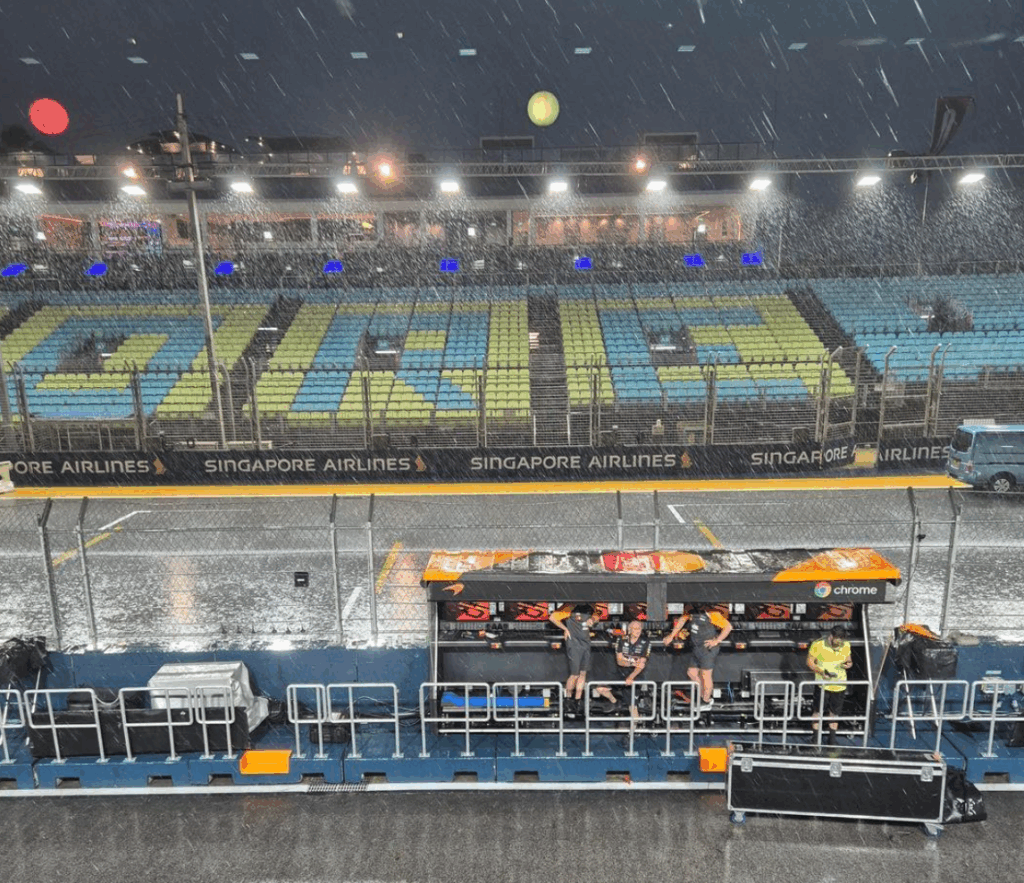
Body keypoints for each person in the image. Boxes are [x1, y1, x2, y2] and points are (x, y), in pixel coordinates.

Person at [663, 603, 732, 709]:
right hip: (696, 648)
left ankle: (706, 701)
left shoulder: (712, 614)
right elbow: (681, 621)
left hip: (707, 648)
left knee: (706, 675)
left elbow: (728, 627)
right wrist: (671, 636)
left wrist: (717, 641)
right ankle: (701, 697)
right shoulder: (690, 611)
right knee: (691, 672)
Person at [806, 625, 853, 745]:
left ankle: (832, 740)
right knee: (818, 711)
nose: (839, 643)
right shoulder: (818, 645)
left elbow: (849, 660)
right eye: (837, 640)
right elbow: (810, 662)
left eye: (841, 640)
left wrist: (848, 664)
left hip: (839, 685)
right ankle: (815, 738)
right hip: (823, 685)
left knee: (834, 713)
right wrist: (821, 671)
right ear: (831, 637)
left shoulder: (846, 645)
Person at [550, 604, 601, 711]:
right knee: (575, 674)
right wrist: (565, 628)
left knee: (583, 673)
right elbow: (552, 618)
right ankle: (568, 699)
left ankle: (578, 700)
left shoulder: (590, 606)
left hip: (586, 643)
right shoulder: (570, 607)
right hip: (574, 644)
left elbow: (597, 616)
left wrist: (592, 619)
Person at [612, 619, 652, 720]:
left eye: (639, 629)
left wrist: (631, 677)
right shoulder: (621, 640)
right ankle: (616, 702)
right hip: (620, 672)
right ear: (629, 630)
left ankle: (635, 727)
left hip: (635, 675)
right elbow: (619, 661)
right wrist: (633, 662)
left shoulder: (645, 642)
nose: (637, 631)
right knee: (601, 688)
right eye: (635, 629)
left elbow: (641, 665)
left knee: (632, 704)